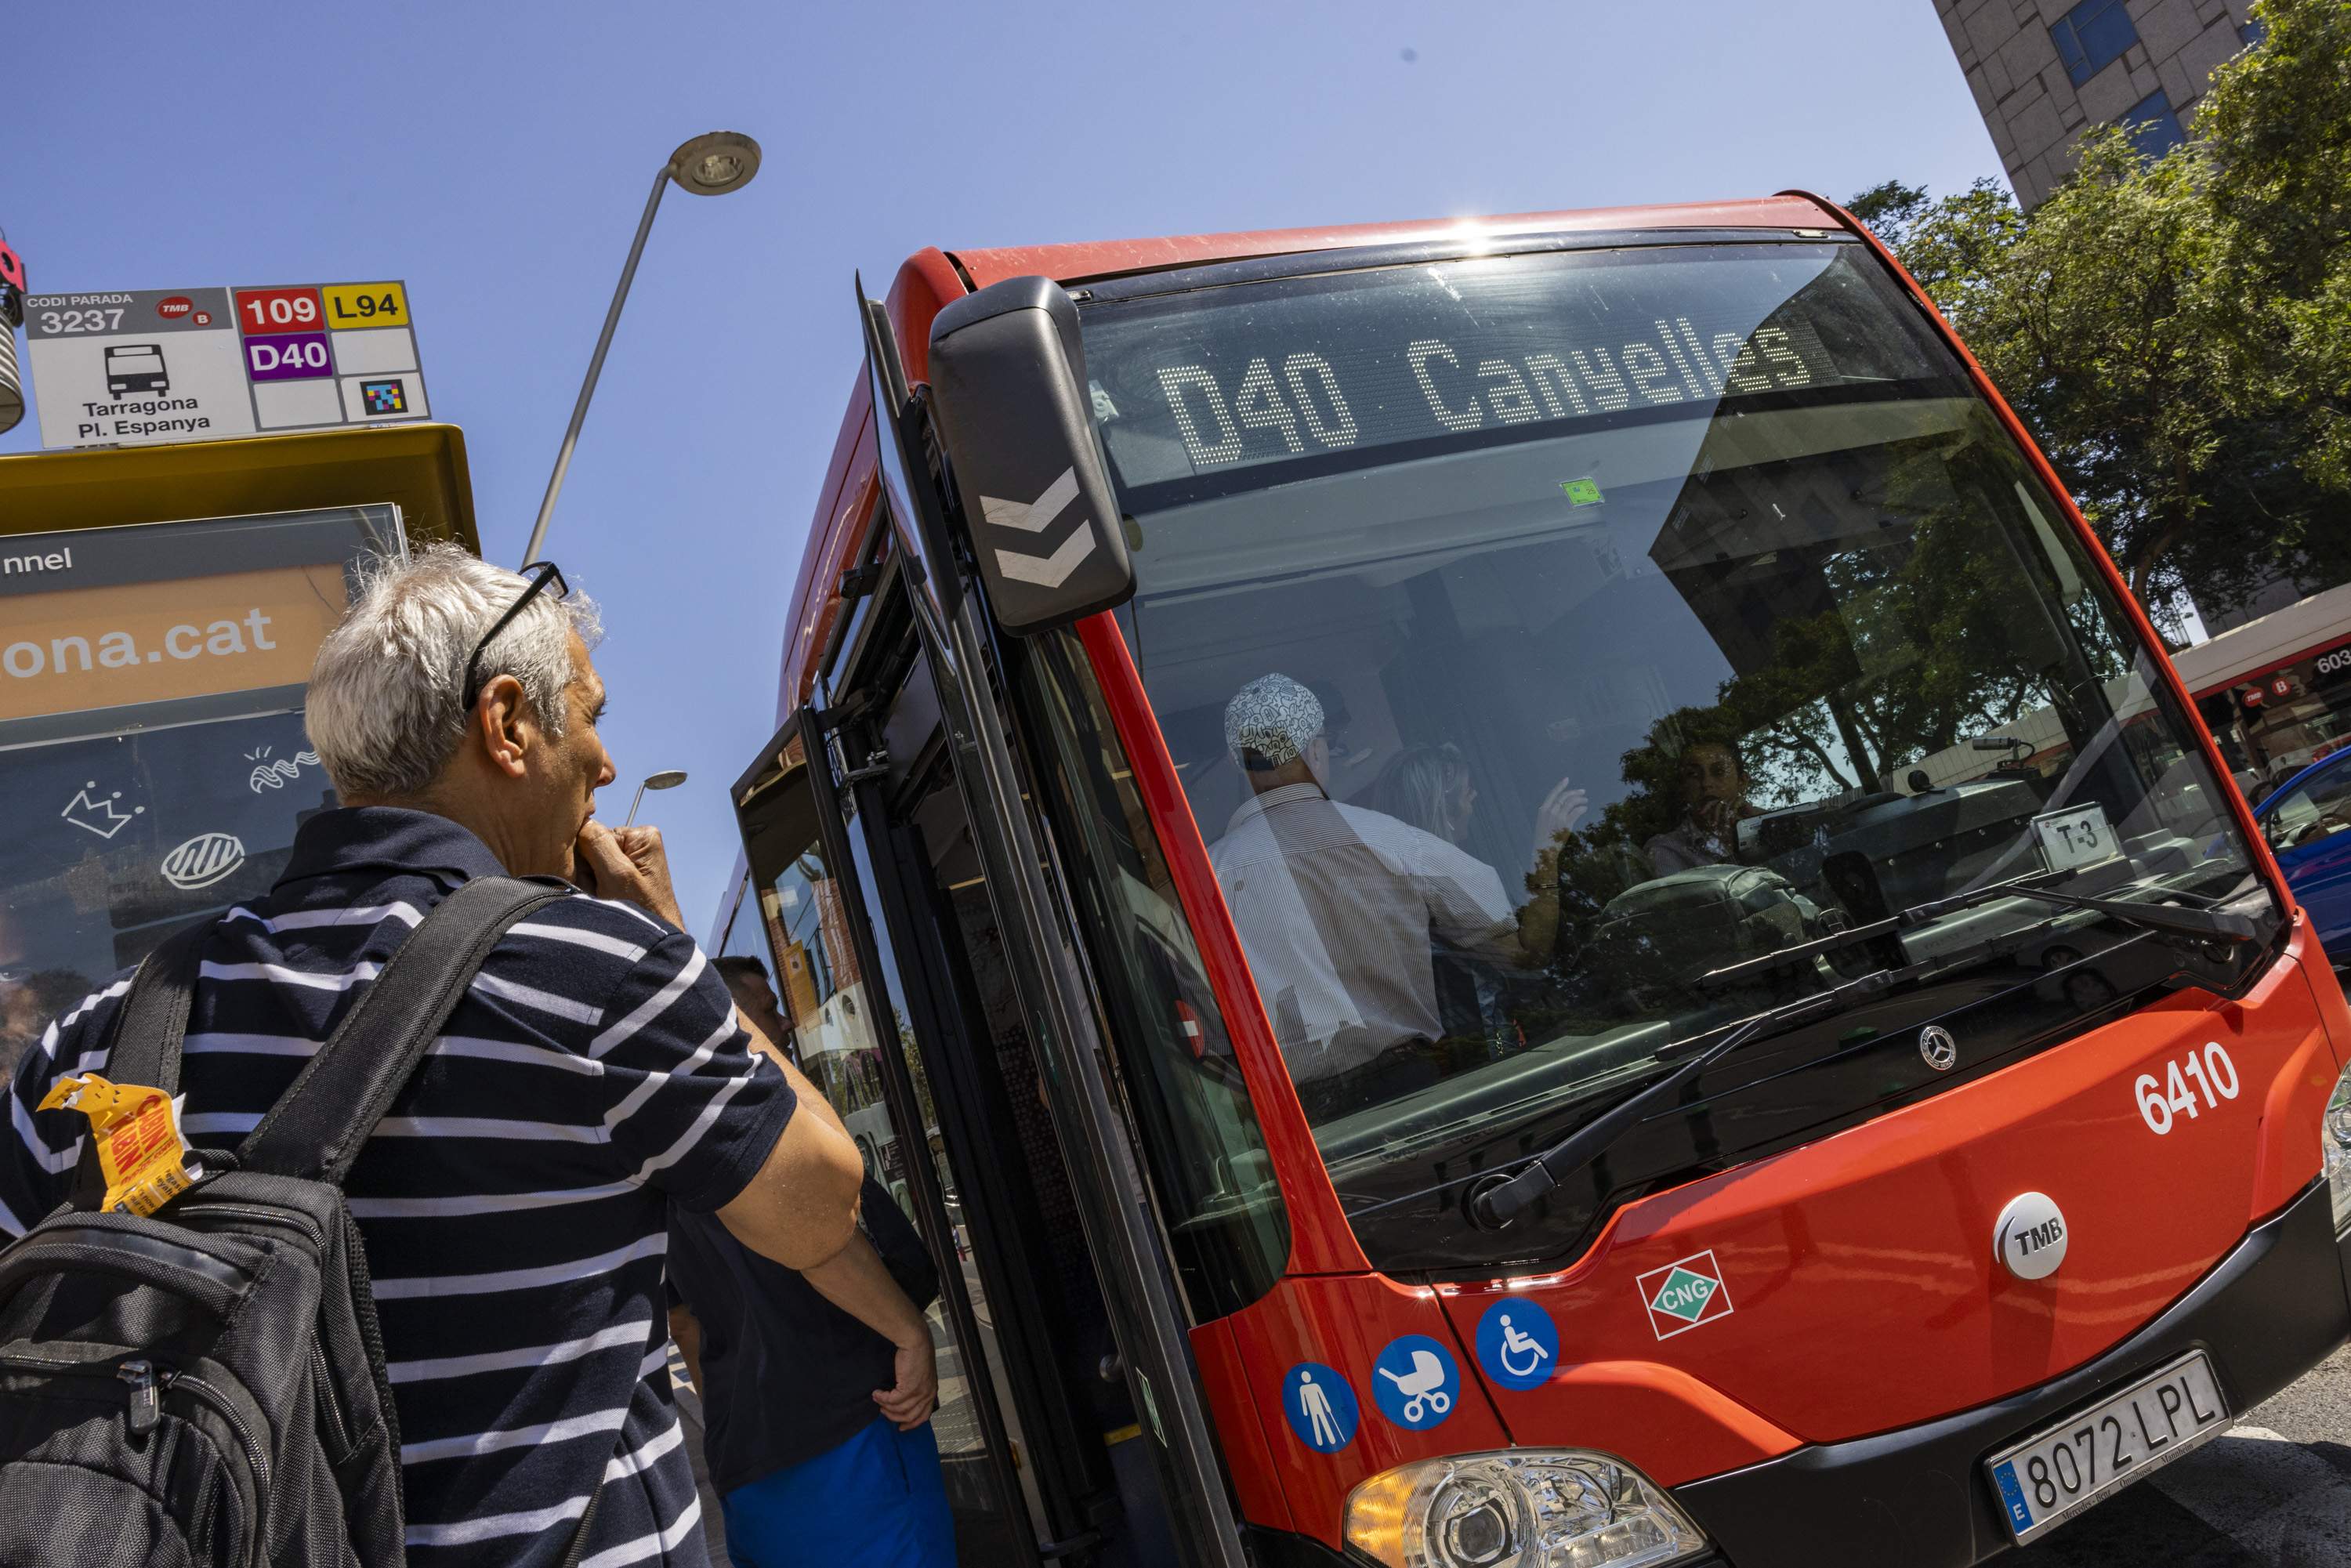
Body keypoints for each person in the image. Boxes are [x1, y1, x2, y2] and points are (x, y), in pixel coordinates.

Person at [0, 544, 875, 1568]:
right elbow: (822, 1209)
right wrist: (666, 941)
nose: (603, 763)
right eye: (590, 717)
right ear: (506, 725)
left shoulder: (95, 1040)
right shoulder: (602, 978)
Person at [668, 957, 951, 1568]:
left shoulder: (654, 1124)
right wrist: (909, 1333)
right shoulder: (749, 1098)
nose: (784, 1023)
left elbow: (684, 1320)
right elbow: (819, 1230)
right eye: (765, 1010)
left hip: (750, 1462)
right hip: (850, 1429)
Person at [1207, 675, 1566, 1121]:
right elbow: (1524, 954)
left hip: (1292, 1121)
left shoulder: (1207, 882)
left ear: (1238, 763)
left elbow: (1207, 1043)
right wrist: (1548, 859)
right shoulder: (1393, 842)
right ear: (1316, 750)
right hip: (1409, 1096)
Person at [1643, 739, 1758, 875]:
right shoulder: (1666, 848)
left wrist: (1762, 820)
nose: (1706, 783)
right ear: (1683, 788)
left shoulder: (1764, 825)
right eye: (1693, 775)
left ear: (1742, 781)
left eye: (1719, 771)